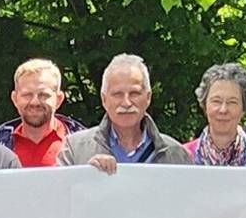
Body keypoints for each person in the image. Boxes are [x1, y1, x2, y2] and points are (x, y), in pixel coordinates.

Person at [58, 53, 190, 169]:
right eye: (117, 94)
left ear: (148, 97)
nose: (126, 103)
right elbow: (61, 195)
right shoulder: (75, 150)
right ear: (104, 100)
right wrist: (87, 174)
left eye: (134, 93)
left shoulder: (175, 154)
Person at [0, 57, 82, 167]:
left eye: (43, 95)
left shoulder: (84, 146)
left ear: (59, 99)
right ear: (15, 99)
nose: (35, 102)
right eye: (27, 95)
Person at [183, 63, 246, 166]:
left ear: (244, 108)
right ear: (204, 106)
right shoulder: (183, 156)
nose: (223, 110)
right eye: (216, 101)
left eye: (232, 102)